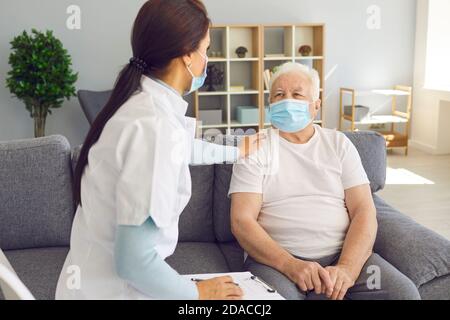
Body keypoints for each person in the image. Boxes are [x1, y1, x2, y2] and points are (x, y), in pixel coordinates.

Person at [56, 0, 263, 300]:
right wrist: (198, 293)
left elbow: (180, 149)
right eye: (206, 49)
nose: (207, 60)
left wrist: (235, 151)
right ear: (186, 56)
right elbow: (134, 263)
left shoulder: (139, 106)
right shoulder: (153, 128)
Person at [229, 62, 421, 300]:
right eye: (278, 95)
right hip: (275, 263)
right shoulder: (254, 148)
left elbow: (364, 210)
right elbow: (241, 221)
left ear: (316, 106)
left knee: (403, 294)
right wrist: (290, 265)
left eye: (297, 94)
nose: (287, 100)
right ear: (270, 105)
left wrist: (347, 269)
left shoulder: (338, 144)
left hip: (341, 255)